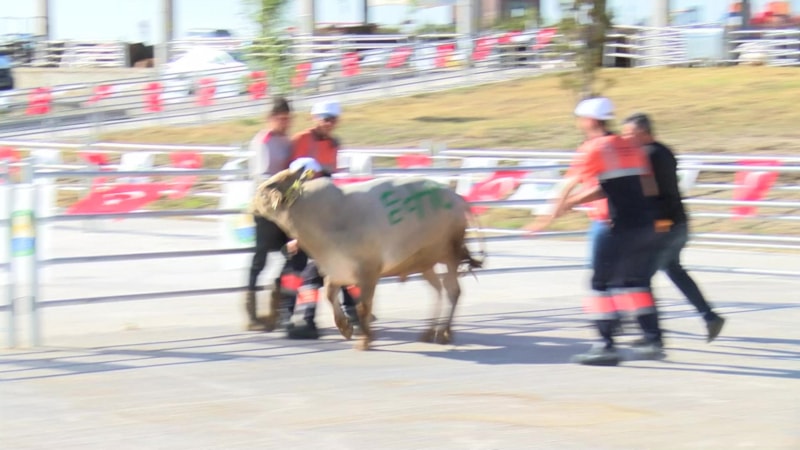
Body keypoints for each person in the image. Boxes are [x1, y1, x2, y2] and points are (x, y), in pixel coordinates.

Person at [525, 97, 664, 366]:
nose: (579, 123)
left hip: (610, 224)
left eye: (579, 118)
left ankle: (605, 346)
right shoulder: (630, 145)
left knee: (599, 285)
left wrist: (547, 216)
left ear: (589, 120)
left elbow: (567, 185)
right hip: (643, 223)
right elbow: (648, 186)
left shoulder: (592, 148)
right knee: (633, 282)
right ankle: (652, 340)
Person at [622, 113, 726, 343]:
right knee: (674, 270)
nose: (626, 138)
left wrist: (657, 226)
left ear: (643, 132)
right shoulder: (664, 151)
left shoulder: (647, 155)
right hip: (678, 223)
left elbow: (652, 194)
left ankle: (650, 333)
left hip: (664, 226)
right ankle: (709, 316)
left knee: (639, 279)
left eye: (630, 134)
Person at [274, 157, 362, 340]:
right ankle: (289, 314)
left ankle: (350, 312)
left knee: (317, 275)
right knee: (296, 271)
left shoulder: (324, 194)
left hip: (329, 245)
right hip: (310, 245)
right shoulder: (295, 194)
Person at [243, 96, 294, 331]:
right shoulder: (263, 141)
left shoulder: (287, 141)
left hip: (284, 206)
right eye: (280, 119)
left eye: (287, 119)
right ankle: (251, 312)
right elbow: (262, 175)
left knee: (293, 254)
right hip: (265, 205)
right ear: (271, 118)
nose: (285, 123)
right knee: (260, 256)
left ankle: (276, 304)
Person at [289, 100, 342, 175]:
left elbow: (334, 171)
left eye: (333, 120)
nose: (329, 124)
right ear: (315, 118)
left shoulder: (333, 143)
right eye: (326, 119)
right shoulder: (302, 139)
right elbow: (293, 172)